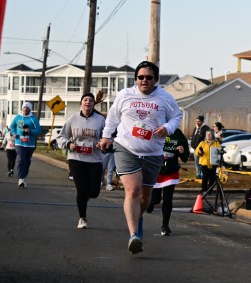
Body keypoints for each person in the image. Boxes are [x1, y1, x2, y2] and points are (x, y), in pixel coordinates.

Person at [98, 60, 182, 255]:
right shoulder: (125, 95)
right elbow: (112, 117)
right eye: (141, 77)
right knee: (133, 191)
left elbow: (177, 116)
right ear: (136, 79)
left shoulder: (165, 98)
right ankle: (134, 235)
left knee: (145, 198)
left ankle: (138, 217)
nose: (144, 80)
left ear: (155, 79)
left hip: (153, 152)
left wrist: (167, 128)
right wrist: (106, 137)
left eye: (149, 77)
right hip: (126, 148)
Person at [57, 92, 106, 229]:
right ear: (81, 103)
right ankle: (82, 218)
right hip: (76, 158)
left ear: (93, 104)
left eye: (90, 100)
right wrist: (68, 144)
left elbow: (107, 137)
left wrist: (102, 143)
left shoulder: (100, 120)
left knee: (94, 192)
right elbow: (61, 137)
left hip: (95, 159)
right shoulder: (73, 119)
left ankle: (84, 198)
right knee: (81, 189)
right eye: (85, 100)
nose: (88, 102)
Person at [148, 126, 189, 236]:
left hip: (171, 170)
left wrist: (182, 151)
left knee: (168, 199)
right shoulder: (156, 130)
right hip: (157, 169)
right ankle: (150, 202)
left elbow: (185, 157)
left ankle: (165, 226)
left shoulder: (178, 134)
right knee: (155, 199)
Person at [8, 102, 41, 189]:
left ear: (30, 109)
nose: (25, 109)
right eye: (24, 107)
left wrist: (30, 131)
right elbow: (12, 126)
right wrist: (14, 133)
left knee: (27, 161)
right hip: (19, 143)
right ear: (22, 108)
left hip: (30, 144)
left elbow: (38, 130)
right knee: (21, 159)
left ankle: (24, 176)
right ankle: (20, 179)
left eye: (27, 108)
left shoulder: (33, 119)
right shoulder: (17, 117)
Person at [194, 129, 221, 195]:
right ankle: (204, 190)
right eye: (207, 134)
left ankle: (210, 190)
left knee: (212, 177)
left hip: (213, 163)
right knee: (205, 177)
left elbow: (219, 153)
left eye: (210, 134)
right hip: (204, 163)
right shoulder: (202, 143)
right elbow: (196, 152)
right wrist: (199, 152)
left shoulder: (216, 143)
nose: (208, 136)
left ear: (212, 135)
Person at [189, 115, 211, 180]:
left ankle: (202, 175)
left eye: (198, 121)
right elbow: (193, 137)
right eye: (196, 121)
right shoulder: (196, 128)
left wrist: (202, 148)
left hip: (202, 149)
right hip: (195, 149)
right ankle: (198, 174)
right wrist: (192, 144)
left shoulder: (205, 128)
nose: (197, 122)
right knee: (197, 163)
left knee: (202, 163)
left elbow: (206, 139)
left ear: (202, 121)